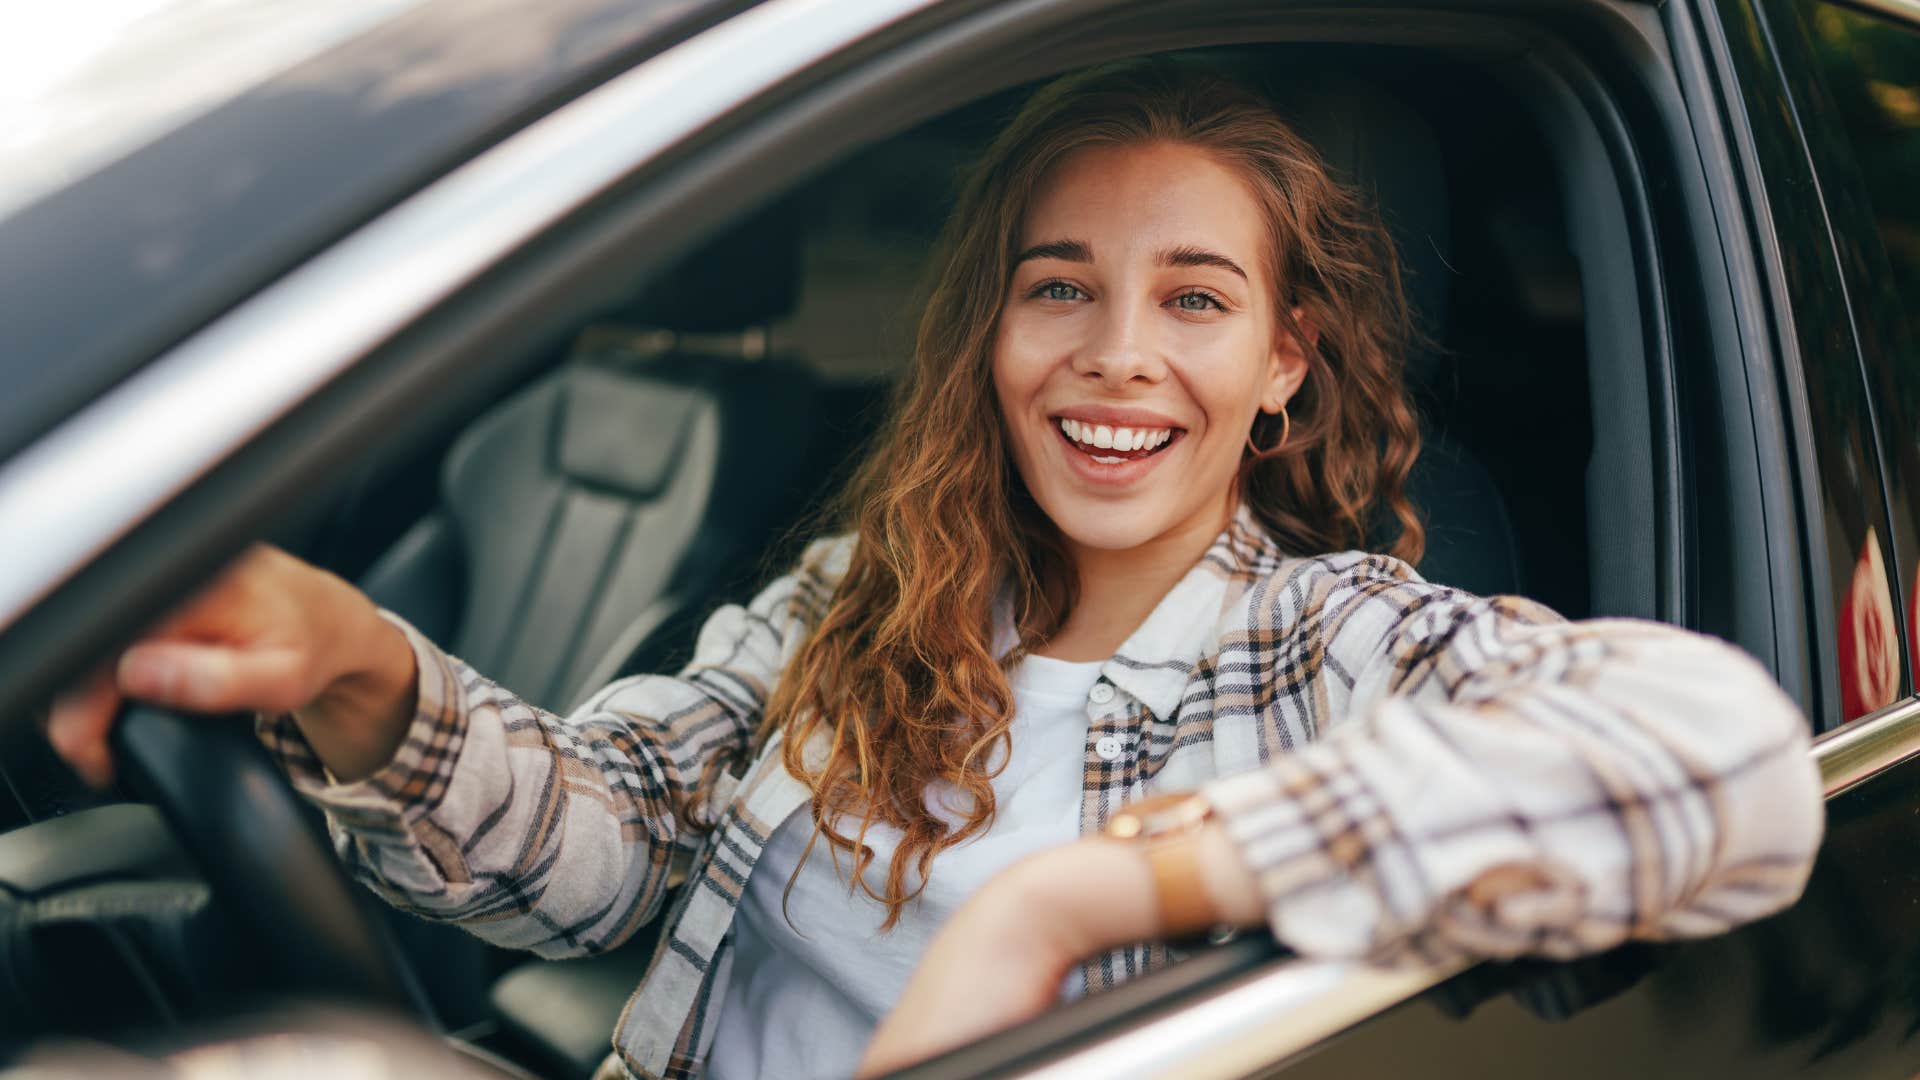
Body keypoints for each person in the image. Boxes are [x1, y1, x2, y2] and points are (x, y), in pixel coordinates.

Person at [46, 61, 1824, 1080]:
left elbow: (1724, 752)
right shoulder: (861, 595)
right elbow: (595, 862)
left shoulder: (1321, 639)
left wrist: (1077, 902)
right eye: (1060, 287)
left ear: (1286, 360)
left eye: (1194, 299)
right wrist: (351, 659)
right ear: (993, 327)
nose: (1116, 354)